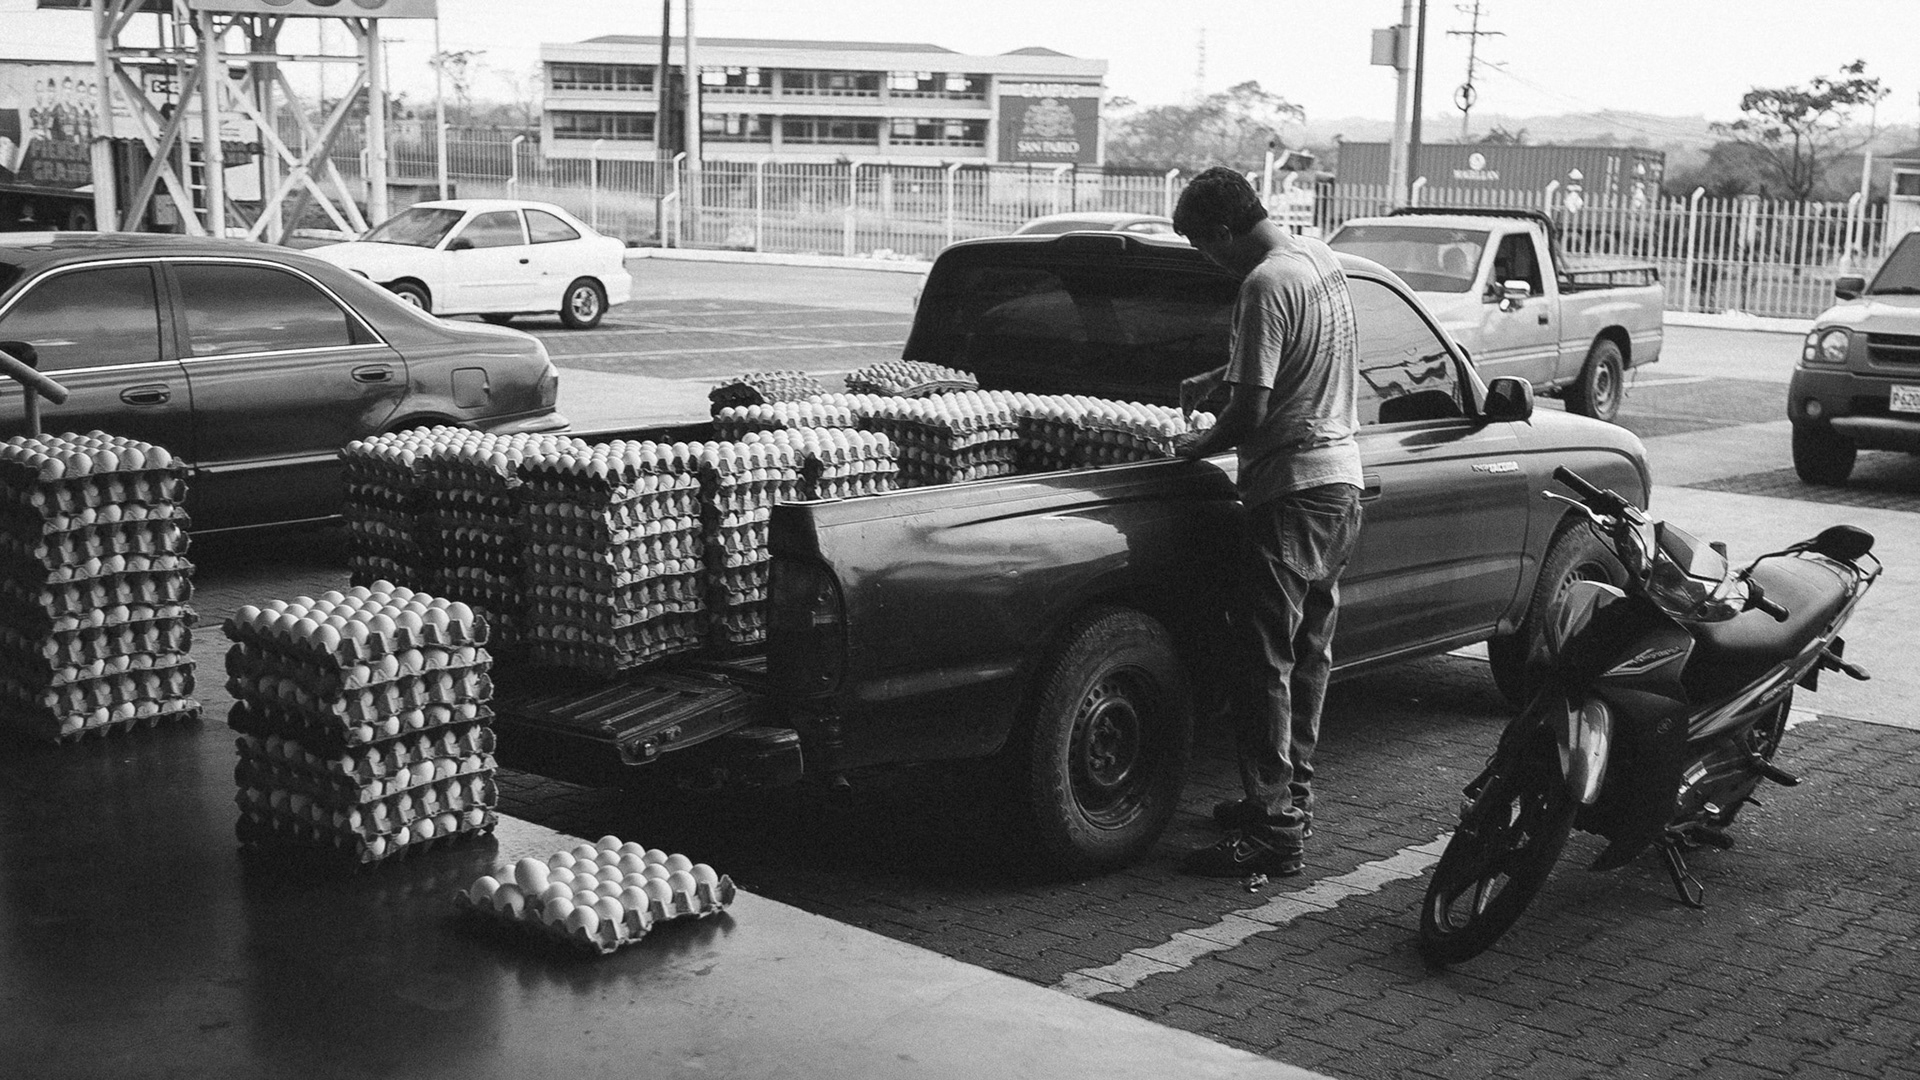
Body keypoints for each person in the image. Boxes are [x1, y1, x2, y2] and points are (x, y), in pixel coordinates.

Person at [1168, 166, 1364, 880]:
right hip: (1341, 484)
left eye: (1201, 246)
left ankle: (1274, 830)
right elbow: (1299, 366)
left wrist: (1196, 445)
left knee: (1264, 664)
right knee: (1309, 651)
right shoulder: (1319, 259)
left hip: (1290, 489)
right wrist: (1218, 380)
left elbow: (1253, 412)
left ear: (1223, 230)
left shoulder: (1262, 284)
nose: (1206, 260)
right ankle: (1288, 799)